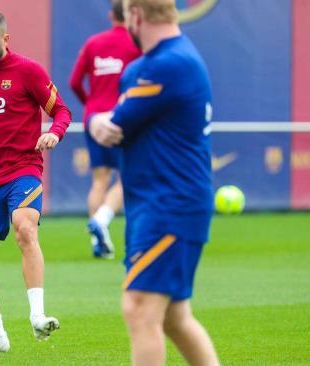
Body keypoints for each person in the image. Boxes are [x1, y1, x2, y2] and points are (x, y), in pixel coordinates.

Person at [91, 0, 219, 364]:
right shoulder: (157, 63)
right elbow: (114, 124)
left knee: (139, 306)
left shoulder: (168, 63)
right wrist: (103, 123)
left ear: (136, 15)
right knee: (175, 318)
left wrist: (101, 121)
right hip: (155, 204)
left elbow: (113, 126)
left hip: (171, 206)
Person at [0, 10, 72, 354]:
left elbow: (62, 111)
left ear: (5, 39)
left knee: (26, 227)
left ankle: (38, 315)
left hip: (23, 169)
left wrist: (54, 133)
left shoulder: (29, 71)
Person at [69, 0, 141, 259]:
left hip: (94, 117)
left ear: (111, 15)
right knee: (127, 178)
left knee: (100, 179)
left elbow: (75, 82)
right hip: (122, 116)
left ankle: (97, 242)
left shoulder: (93, 43)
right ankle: (102, 219)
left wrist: (90, 104)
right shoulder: (136, 43)